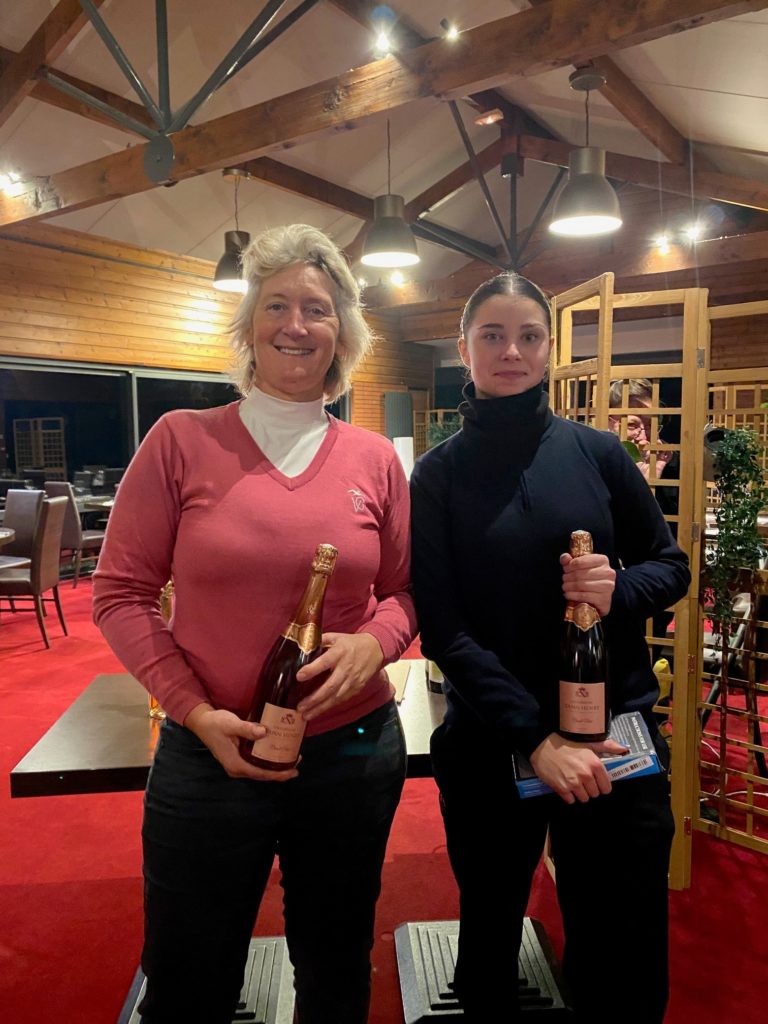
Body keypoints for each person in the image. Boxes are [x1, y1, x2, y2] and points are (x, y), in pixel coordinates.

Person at [93, 223, 417, 1024]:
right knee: (187, 981)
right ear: (248, 325)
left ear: (342, 331)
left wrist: (375, 643)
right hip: (208, 756)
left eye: (316, 308)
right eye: (276, 305)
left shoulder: (375, 459)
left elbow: (409, 592)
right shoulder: (180, 440)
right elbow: (122, 593)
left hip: (350, 753)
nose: (295, 325)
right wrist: (195, 712)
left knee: (336, 970)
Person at [409, 273, 691, 1023]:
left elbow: (671, 568)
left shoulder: (599, 454)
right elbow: (444, 628)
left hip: (612, 739)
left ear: (550, 349)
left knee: (622, 948)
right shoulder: (437, 476)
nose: (512, 351)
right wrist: (536, 740)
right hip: (492, 741)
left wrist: (616, 590)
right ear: (464, 348)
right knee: (490, 938)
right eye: (493, 336)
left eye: (528, 336)